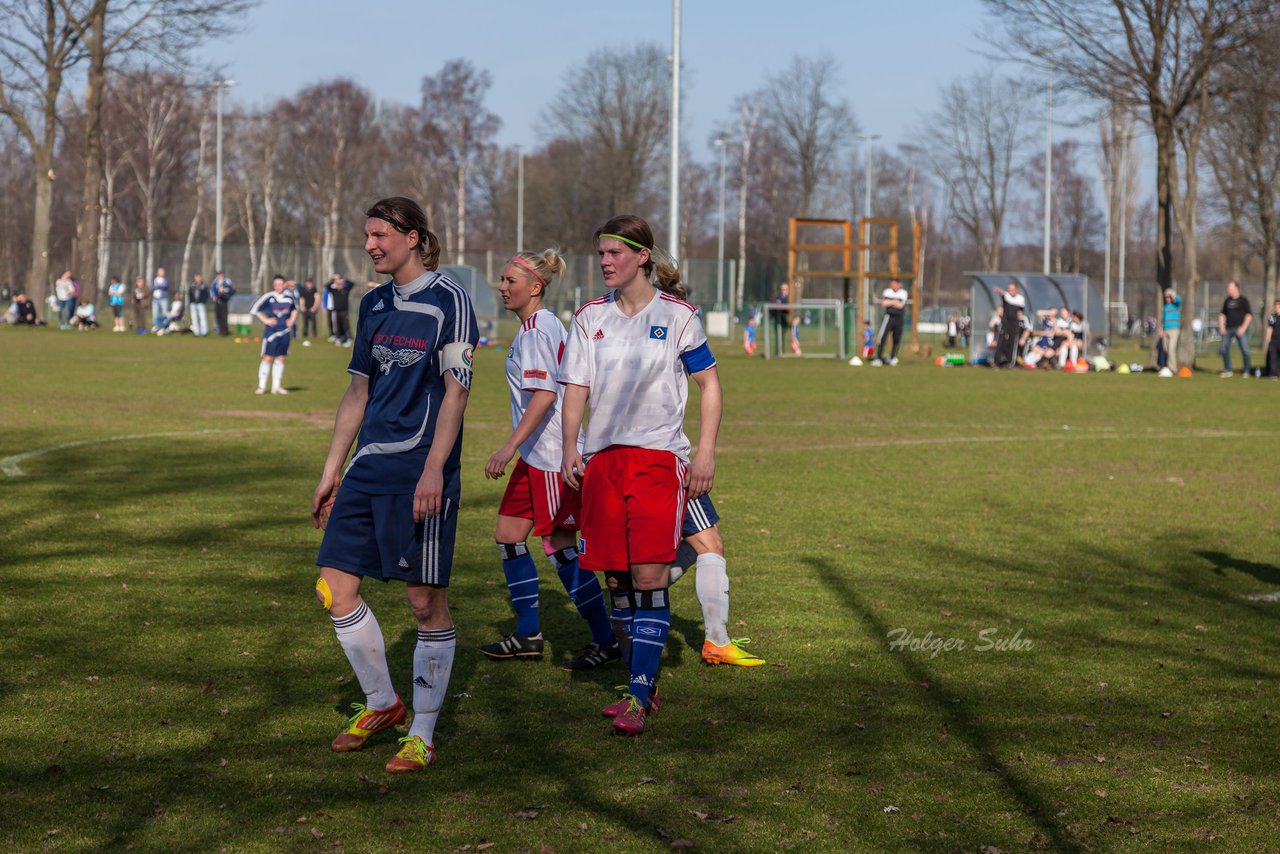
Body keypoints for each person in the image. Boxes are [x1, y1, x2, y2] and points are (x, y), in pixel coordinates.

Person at [311, 196, 478, 774]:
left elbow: (456, 391)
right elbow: (357, 393)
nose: (370, 245)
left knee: (423, 601)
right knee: (334, 587)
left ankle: (423, 734)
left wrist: (436, 467)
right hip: (367, 468)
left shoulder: (449, 299)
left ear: (411, 236)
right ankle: (383, 703)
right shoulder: (373, 302)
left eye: (380, 235)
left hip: (419, 470)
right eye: (367, 235)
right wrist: (332, 469)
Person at [560, 214, 722, 736]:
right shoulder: (588, 317)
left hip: (657, 460)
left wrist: (706, 454)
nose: (605, 262)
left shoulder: (678, 316)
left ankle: (638, 693)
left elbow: (710, 386)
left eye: (615, 253)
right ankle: (641, 684)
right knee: (616, 578)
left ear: (642, 257)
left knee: (648, 577)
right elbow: (576, 388)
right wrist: (570, 447)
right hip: (602, 463)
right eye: (601, 254)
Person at [479, 248, 618, 670]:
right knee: (508, 535)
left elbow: (544, 396)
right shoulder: (536, 327)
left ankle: (607, 640)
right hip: (534, 455)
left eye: (510, 282)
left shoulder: (539, 330)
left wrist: (507, 446)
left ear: (535, 288)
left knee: (559, 547)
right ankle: (528, 634)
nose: (502, 288)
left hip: (552, 456)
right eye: (502, 281)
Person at [666, 494, 764, 667]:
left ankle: (630, 608)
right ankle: (717, 641)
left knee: (699, 540)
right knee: (710, 544)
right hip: (671, 471)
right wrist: (703, 464)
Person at [250, 275, 296, 393]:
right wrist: (265, 320)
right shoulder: (269, 297)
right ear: (273, 286)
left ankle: (276, 386)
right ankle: (261, 386)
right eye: (276, 284)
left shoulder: (289, 297)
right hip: (271, 333)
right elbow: (255, 309)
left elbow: (295, 309)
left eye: (281, 284)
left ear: (284, 285)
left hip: (284, 332)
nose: (279, 287)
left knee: (280, 358)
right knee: (267, 358)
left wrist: (292, 320)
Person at [1218, 280, 1252, 377]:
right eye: (1228, 288)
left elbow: (1249, 315)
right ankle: (1227, 370)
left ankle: (1246, 370)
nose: (1228, 290)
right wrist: (1222, 326)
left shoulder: (1243, 300)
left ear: (1236, 288)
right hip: (1228, 329)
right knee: (1223, 349)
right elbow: (1222, 314)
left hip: (1240, 328)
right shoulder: (1227, 300)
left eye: (1230, 288)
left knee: (1245, 350)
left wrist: (1243, 328)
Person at [871, 278, 909, 366]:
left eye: (895, 284)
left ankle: (892, 358)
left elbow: (900, 306)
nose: (893, 286)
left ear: (899, 284)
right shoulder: (887, 292)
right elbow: (884, 303)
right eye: (892, 284)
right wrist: (895, 301)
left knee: (896, 339)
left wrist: (891, 302)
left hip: (899, 318)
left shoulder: (903, 293)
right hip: (888, 317)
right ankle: (878, 358)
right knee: (882, 338)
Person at [992, 282, 1026, 368]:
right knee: (1001, 341)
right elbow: (1003, 294)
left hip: (1014, 323)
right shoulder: (1006, 296)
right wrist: (999, 291)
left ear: (1016, 290)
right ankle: (997, 361)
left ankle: (1009, 362)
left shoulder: (1020, 299)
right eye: (1009, 289)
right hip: (1005, 322)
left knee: (1012, 342)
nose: (1010, 291)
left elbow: (1021, 311)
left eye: (1012, 289)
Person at [327, 273, 352, 346]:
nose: (339, 285)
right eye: (338, 284)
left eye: (341, 284)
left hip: (344, 311)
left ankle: (348, 339)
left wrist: (343, 280)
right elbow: (327, 285)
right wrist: (334, 279)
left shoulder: (346, 290)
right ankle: (339, 338)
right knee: (337, 326)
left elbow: (351, 283)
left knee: (345, 325)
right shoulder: (333, 290)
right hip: (336, 311)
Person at [212, 270, 235, 336]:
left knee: (224, 316)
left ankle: (225, 331)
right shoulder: (215, 282)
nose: (219, 276)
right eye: (218, 275)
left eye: (220, 275)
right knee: (218, 316)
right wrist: (214, 296)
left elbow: (232, 289)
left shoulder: (227, 281)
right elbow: (212, 289)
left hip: (224, 300)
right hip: (217, 300)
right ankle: (220, 330)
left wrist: (224, 290)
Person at [1264, 299, 1280, 379]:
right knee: (1273, 357)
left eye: (1279, 306)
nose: (1277, 308)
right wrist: (1268, 340)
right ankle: (1273, 374)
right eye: (1276, 306)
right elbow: (1270, 328)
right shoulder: (1272, 317)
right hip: (1274, 340)